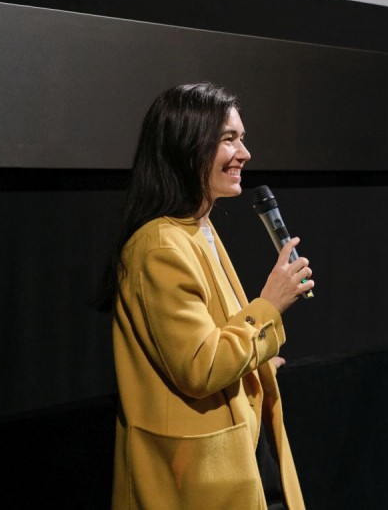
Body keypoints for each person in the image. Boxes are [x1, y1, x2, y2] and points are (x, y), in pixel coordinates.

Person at [96, 82, 313, 509]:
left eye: (242, 138)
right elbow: (201, 367)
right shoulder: (160, 246)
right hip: (198, 474)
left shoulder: (199, 229)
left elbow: (215, 339)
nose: (245, 153)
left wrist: (255, 361)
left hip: (238, 454)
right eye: (229, 139)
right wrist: (269, 305)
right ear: (186, 147)